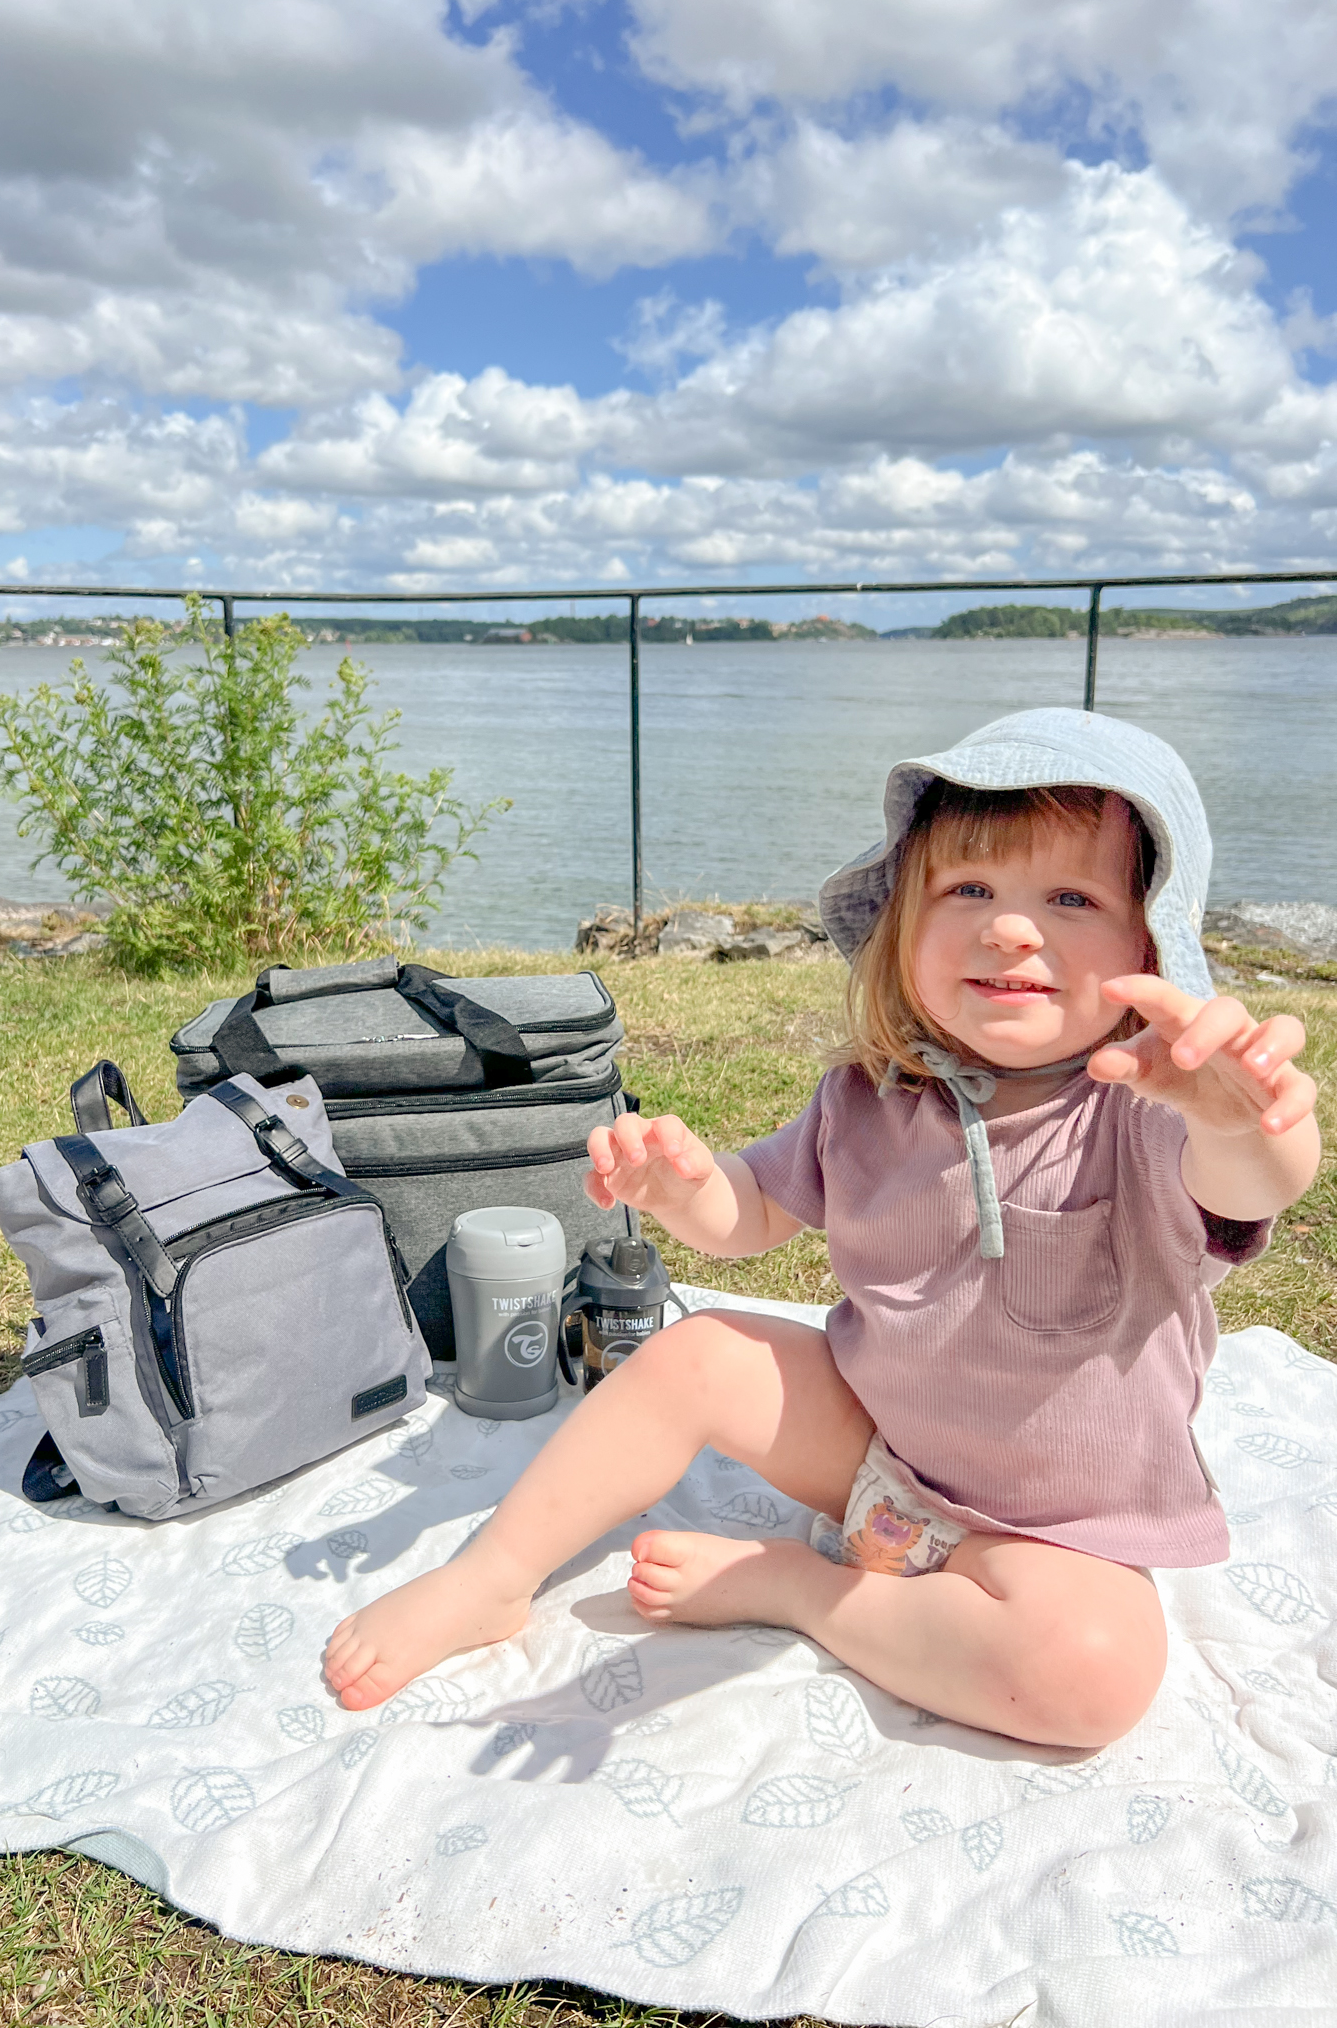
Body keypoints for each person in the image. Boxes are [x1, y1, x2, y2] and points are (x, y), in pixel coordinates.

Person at [322, 709, 1320, 1747]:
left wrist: (1244, 1115)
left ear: (1152, 944)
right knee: (697, 1349)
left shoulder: (1147, 1113)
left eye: (1072, 897)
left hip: (1052, 1529)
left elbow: (1253, 1182)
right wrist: (685, 1186)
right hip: (876, 1451)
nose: (1012, 929)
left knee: (1094, 1675)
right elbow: (747, 1214)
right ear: (904, 923)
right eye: (968, 889)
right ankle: (490, 1575)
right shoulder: (874, 1093)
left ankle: (801, 1588)